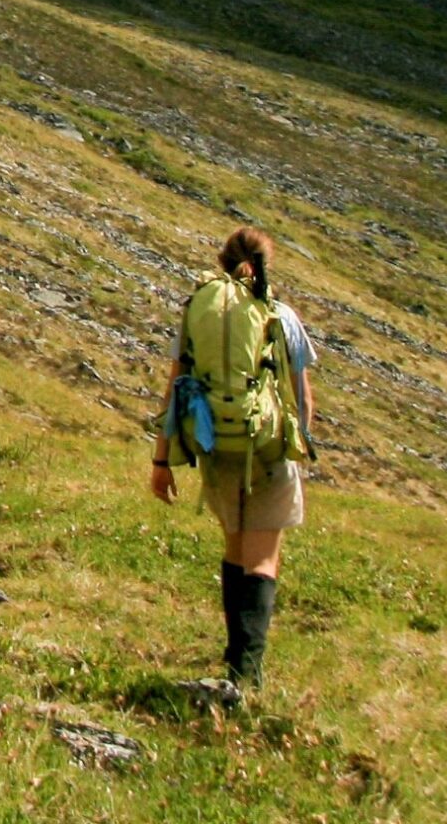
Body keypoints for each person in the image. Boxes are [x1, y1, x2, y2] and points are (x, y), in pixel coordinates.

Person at [149, 225, 317, 693]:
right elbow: (302, 398)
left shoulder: (200, 312)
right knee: (263, 559)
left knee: (235, 550)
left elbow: (176, 385)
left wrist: (161, 462)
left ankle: (234, 656)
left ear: (221, 263)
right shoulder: (281, 316)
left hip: (218, 446)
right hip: (267, 448)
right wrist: (297, 443)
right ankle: (247, 673)